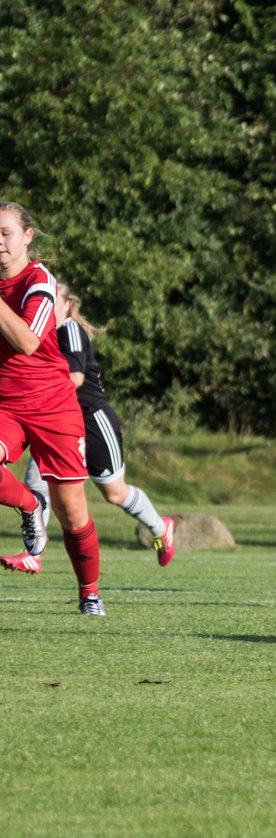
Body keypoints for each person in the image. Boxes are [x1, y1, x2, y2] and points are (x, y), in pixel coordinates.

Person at [1, 283, 175, 575]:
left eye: (49, 300)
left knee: (114, 493)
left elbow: (76, 377)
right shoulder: (32, 333)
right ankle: (34, 554)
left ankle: (161, 528)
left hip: (91, 418)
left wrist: (41, 396)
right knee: (40, 480)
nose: (40, 305)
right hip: (53, 421)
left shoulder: (67, 329)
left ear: (67, 306)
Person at [0, 201, 106, 615]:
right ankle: (29, 505)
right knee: (44, 504)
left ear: (27, 236)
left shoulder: (39, 280)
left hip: (52, 406)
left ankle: (90, 593)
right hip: (6, 405)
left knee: (72, 511)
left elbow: (27, 341)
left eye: (6, 233)